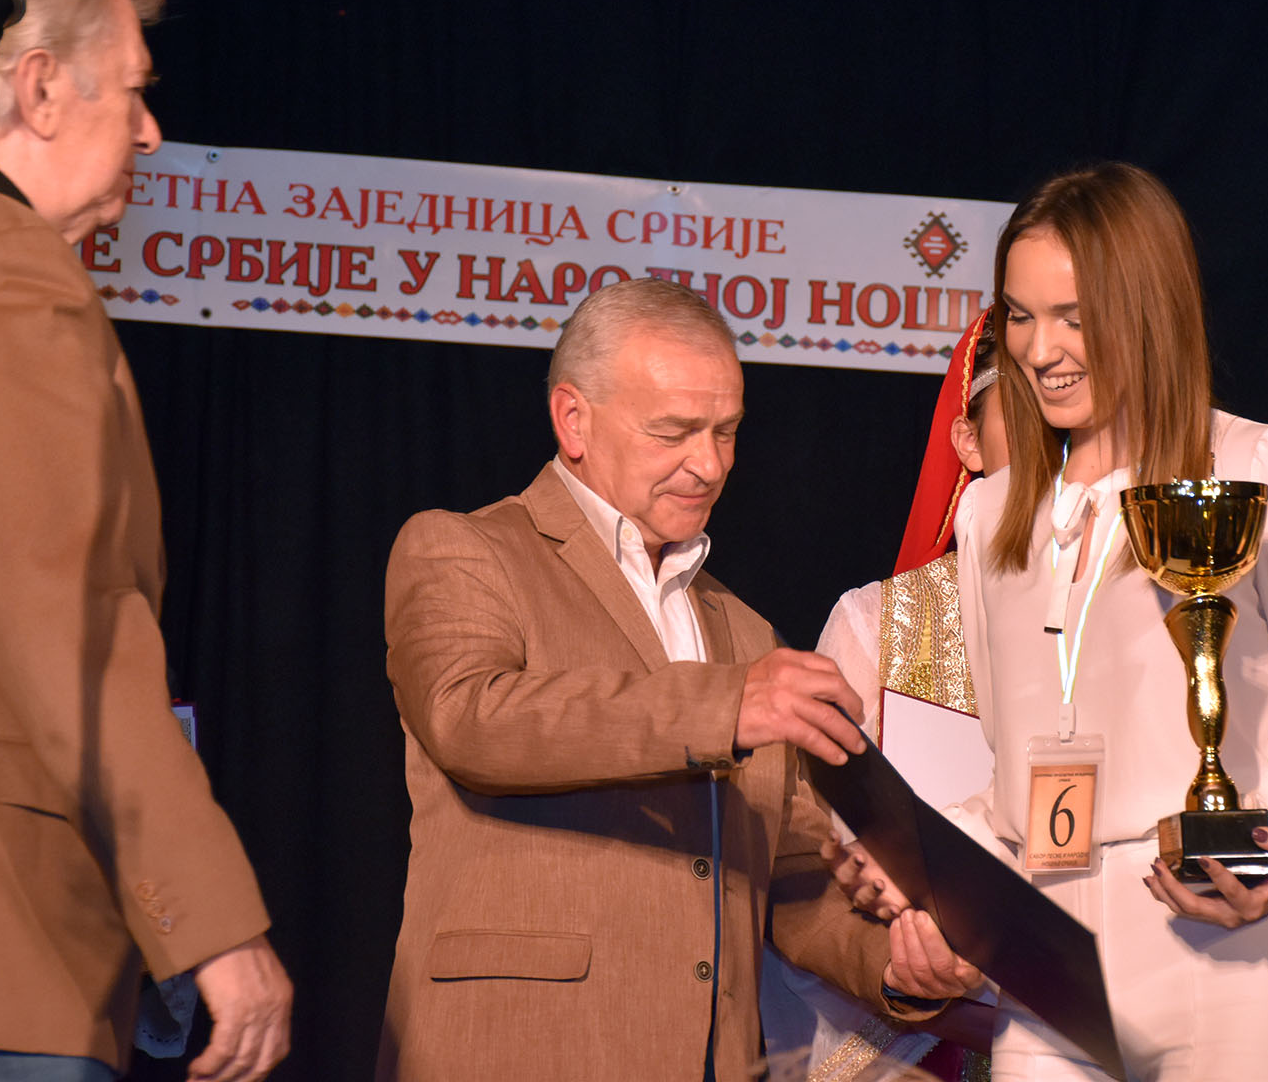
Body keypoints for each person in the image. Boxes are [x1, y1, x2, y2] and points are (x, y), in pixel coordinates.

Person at [0, 0, 290, 1082]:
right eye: (134, 91)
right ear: (38, 89)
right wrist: (212, 924)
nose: (150, 131)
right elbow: (65, 623)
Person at [376, 278, 979, 1082]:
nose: (710, 464)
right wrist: (727, 704)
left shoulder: (745, 631)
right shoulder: (464, 551)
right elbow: (473, 719)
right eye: (674, 432)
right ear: (573, 419)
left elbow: (795, 867)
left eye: (726, 431)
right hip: (514, 1050)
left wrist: (896, 966)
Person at [951, 162, 1268, 1080]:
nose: (1041, 350)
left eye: (1075, 317)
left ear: (1148, 308)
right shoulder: (990, 512)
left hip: (1239, 951)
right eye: (1021, 316)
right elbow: (1012, 780)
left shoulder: (1267, 469)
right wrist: (911, 861)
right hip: (1051, 953)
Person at [761, 312, 1005, 1081]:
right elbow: (812, 867)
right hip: (915, 1038)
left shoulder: (1143, 627)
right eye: (1028, 416)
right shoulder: (878, 626)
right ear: (969, 441)